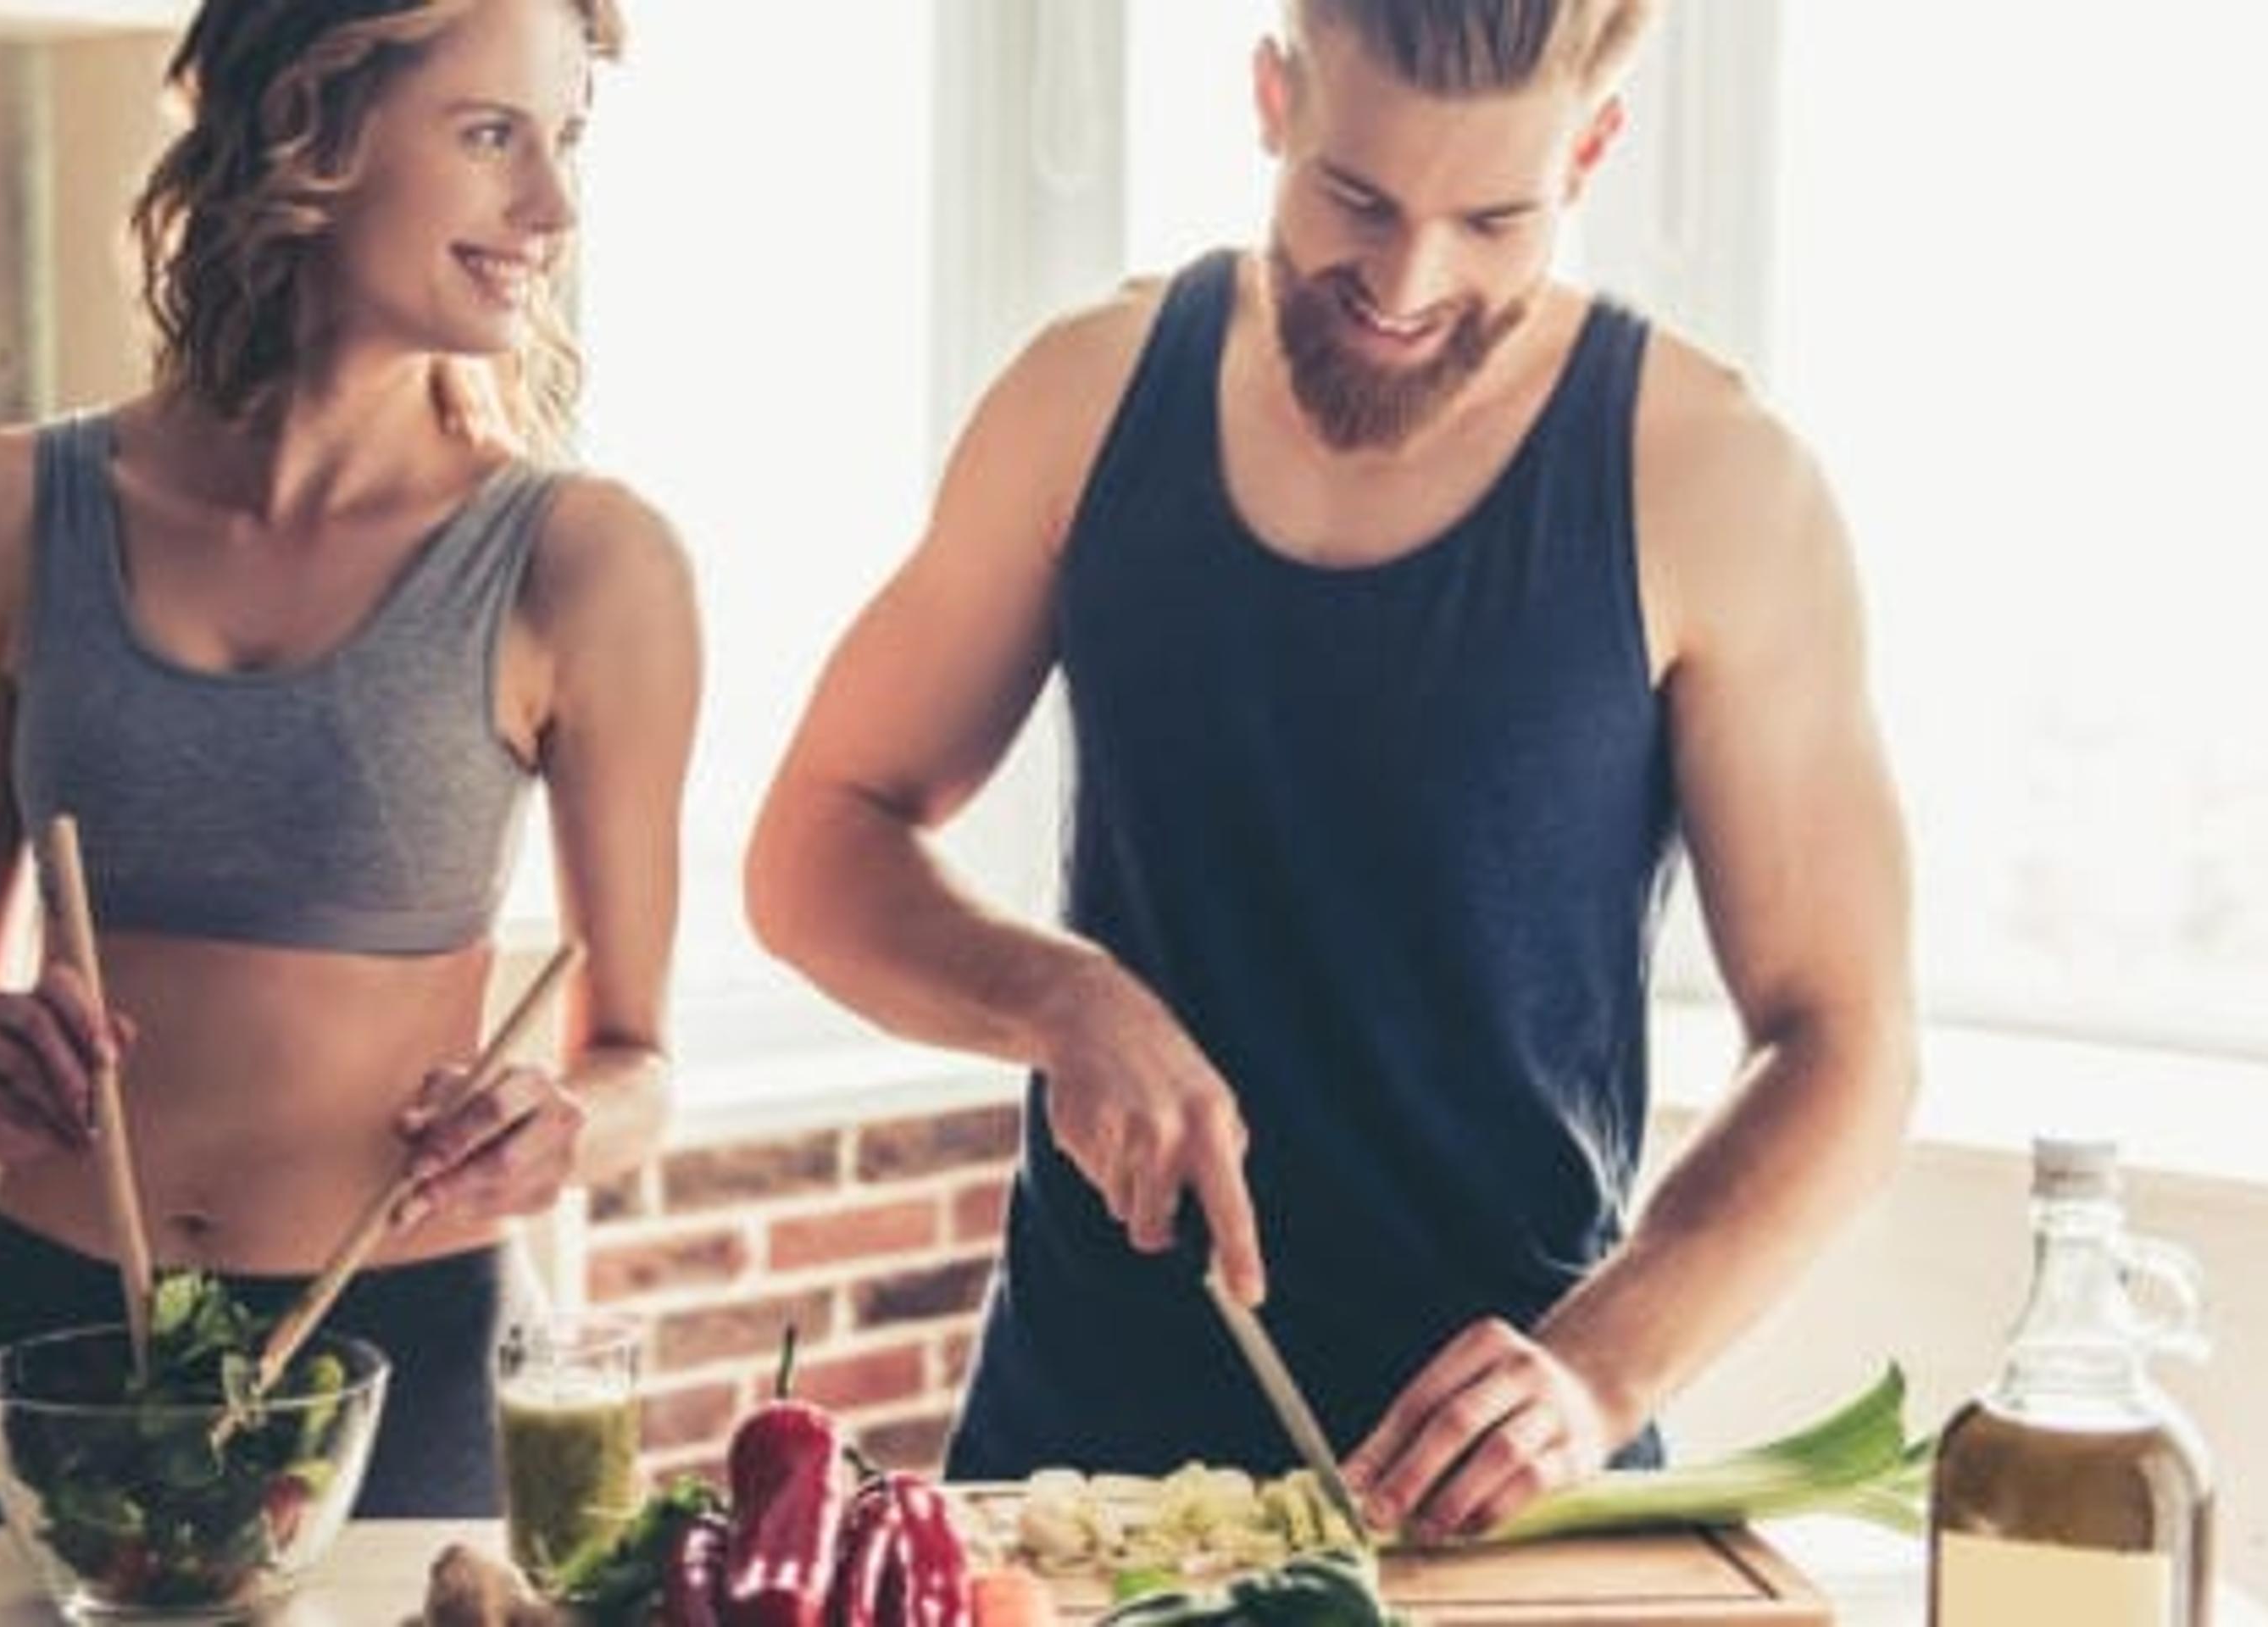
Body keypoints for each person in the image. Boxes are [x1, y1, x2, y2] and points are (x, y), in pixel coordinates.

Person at [744, 0, 1915, 1544]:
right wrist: (1060, 994)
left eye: (1495, 218)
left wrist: (1594, 1376)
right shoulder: (1085, 397)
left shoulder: (1716, 476)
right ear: (1272, 99)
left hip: (1492, 1505)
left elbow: (1846, 1045)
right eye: (1355, 199)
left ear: (1592, 150)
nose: (1408, 282)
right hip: (1077, 1473)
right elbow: (815, 844)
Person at [0, 0, 695, 1523]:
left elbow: (641, 1061)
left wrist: (563, 1126)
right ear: (308, 134)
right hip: (55, 1341)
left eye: (568, 141)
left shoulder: (589, 565)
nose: (553, 208)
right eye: (491, 137)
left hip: (410, 1364)